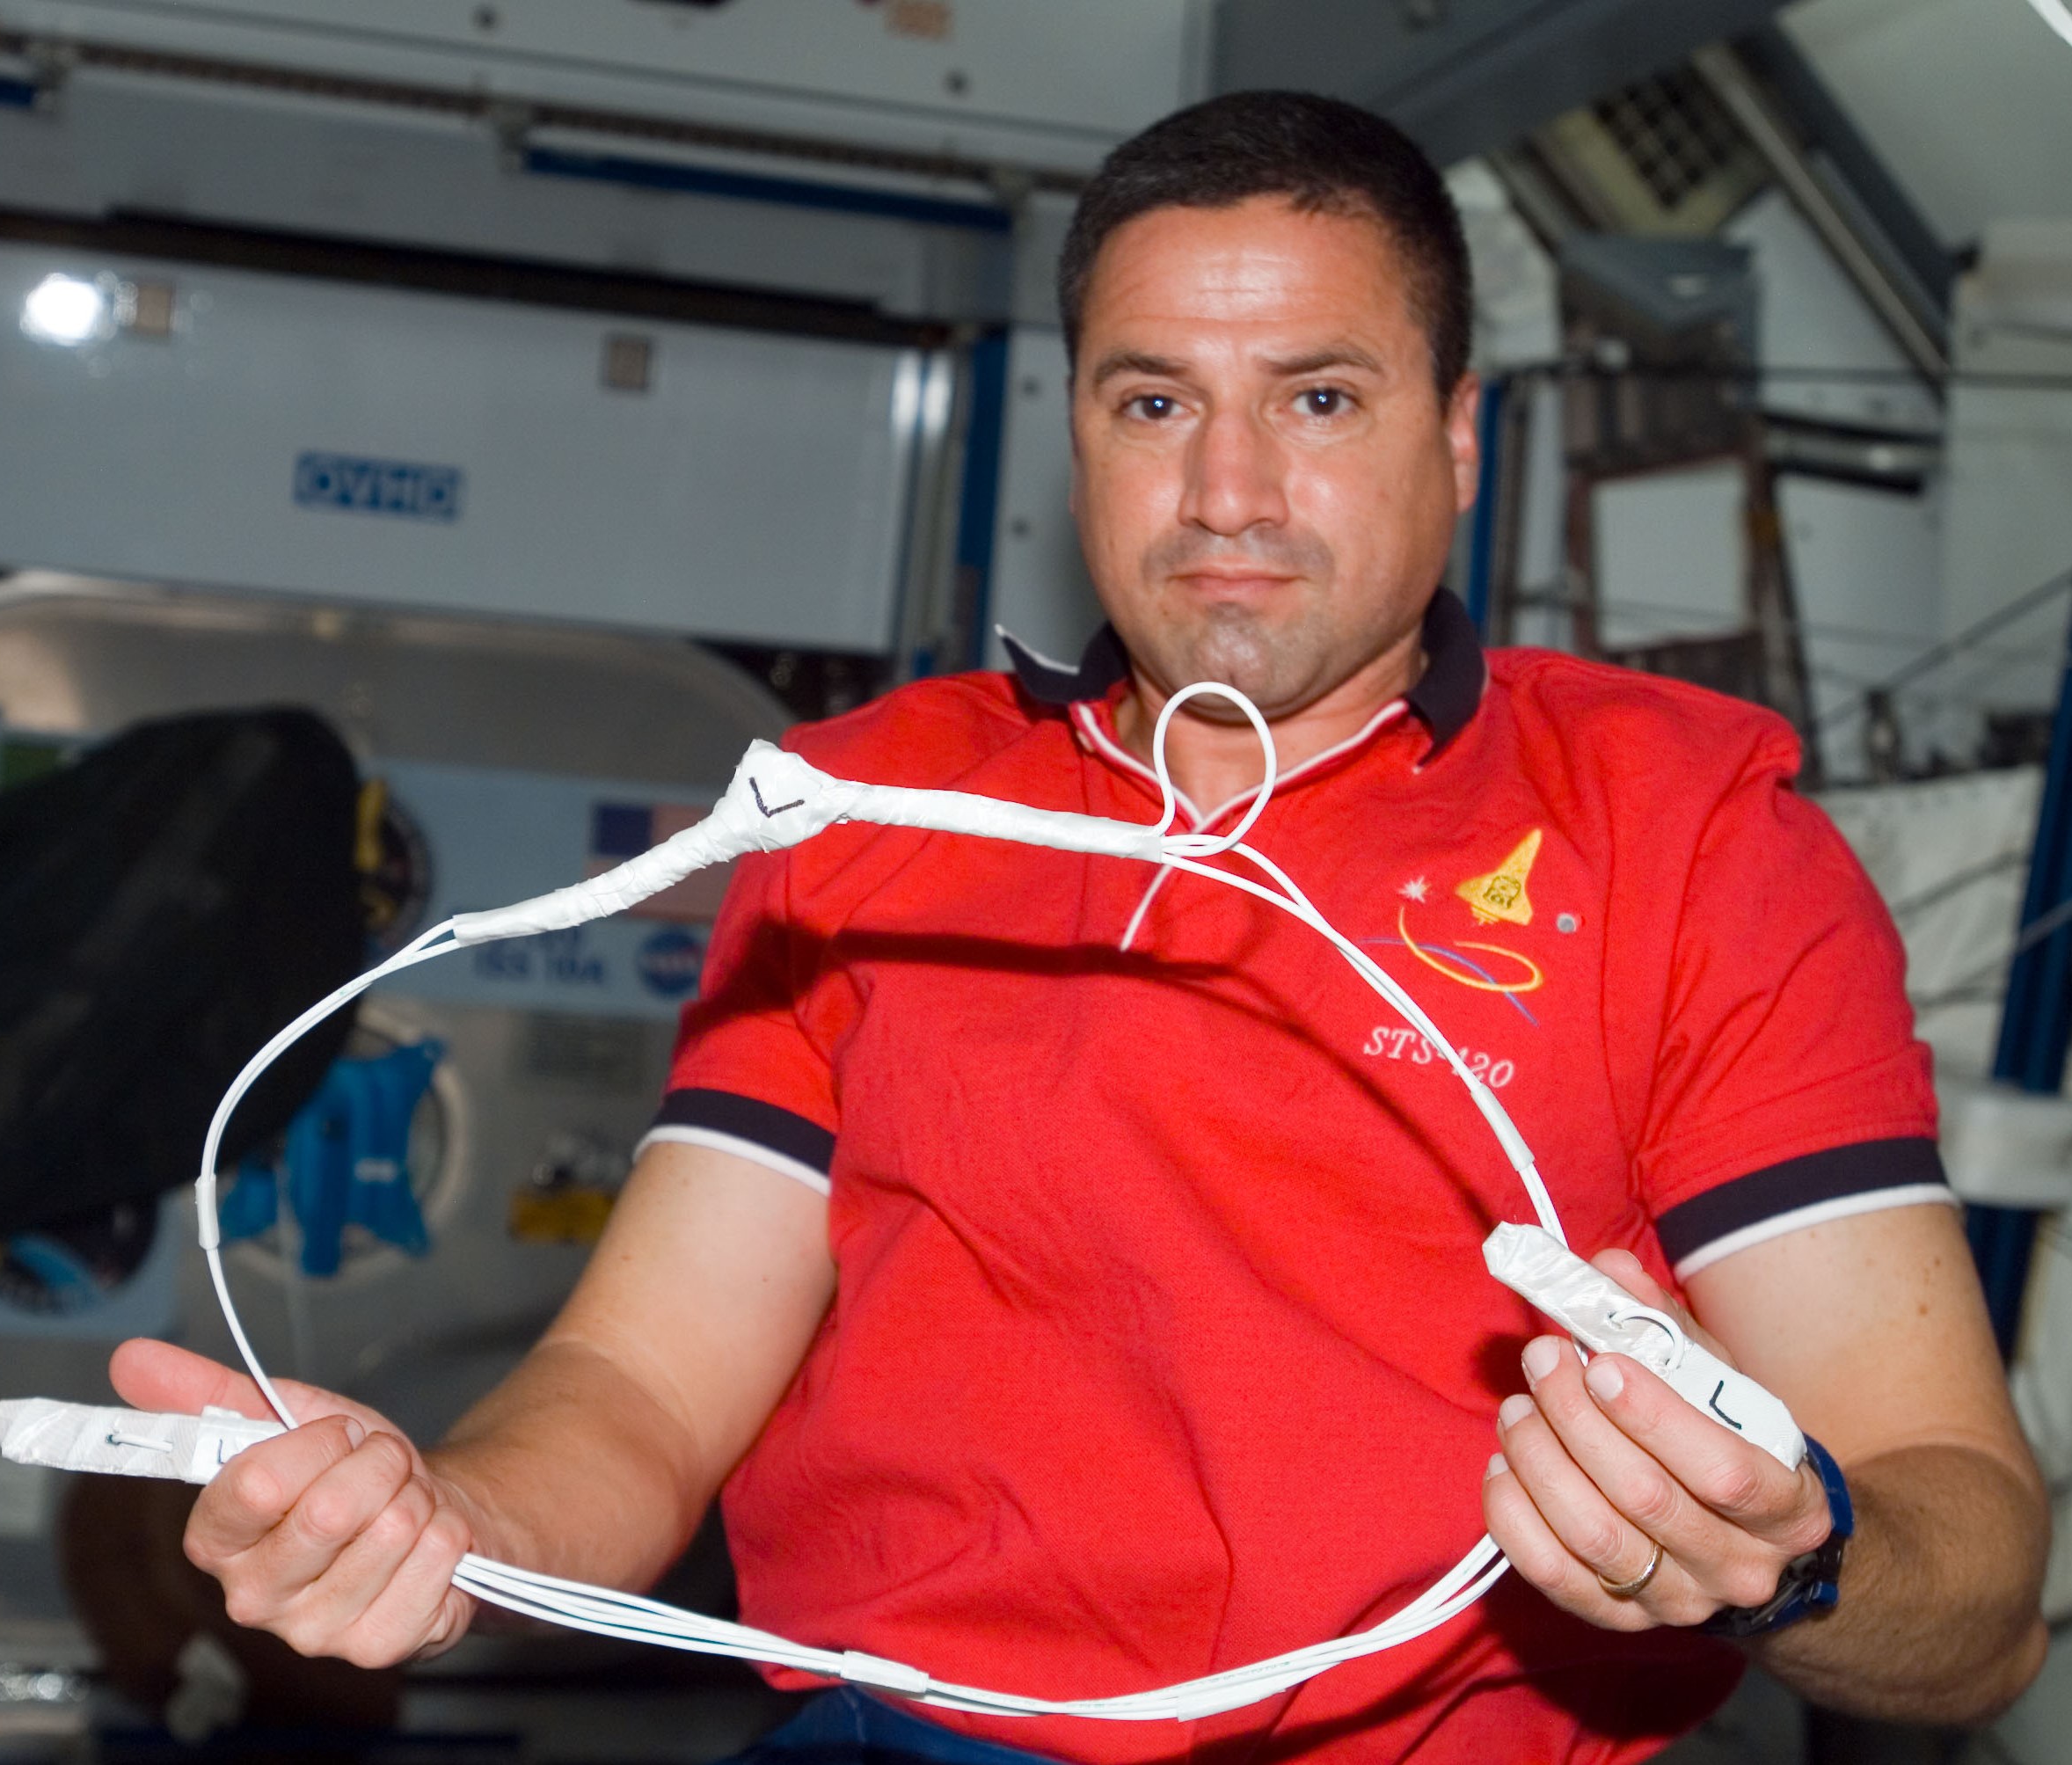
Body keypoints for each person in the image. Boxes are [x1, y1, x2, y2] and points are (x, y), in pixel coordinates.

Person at [113, 92, 2047, 1761]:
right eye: (1154, 400)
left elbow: (1976, 1591)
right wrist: (443, 1516)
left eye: (1317, 394)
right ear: (1081, 437)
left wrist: (1786, 1552)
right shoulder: (868, 808)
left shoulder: (1686, 831)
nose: (1226, 492)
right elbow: (642, 1388)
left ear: (1457, 434)